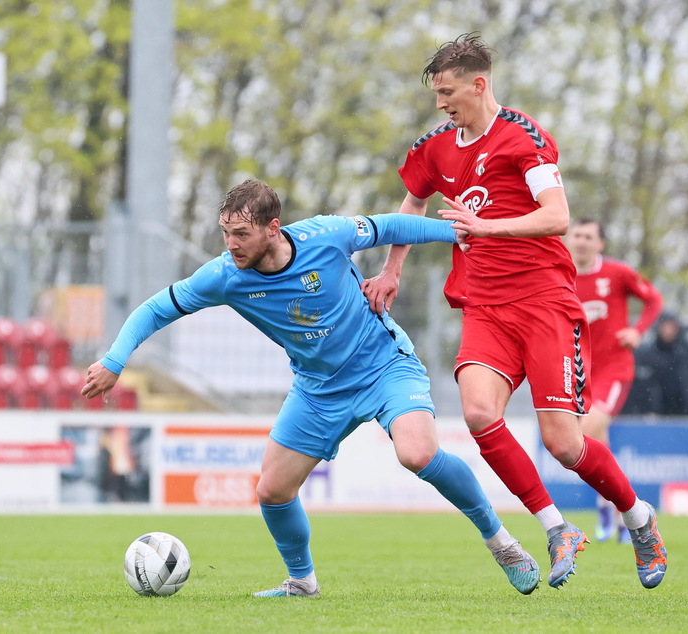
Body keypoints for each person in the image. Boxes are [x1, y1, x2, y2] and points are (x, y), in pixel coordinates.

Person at [82, 178, 542, 597]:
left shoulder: (327, 235)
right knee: (273, 490)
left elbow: (390, 226)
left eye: (241, 234)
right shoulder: (226, 275)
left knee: (417, 453)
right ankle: (301, 581)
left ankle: (501, 542)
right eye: (225, 233)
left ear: (272, 228)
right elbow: (155, 309)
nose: (231, 244)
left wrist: (463, 231)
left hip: (384, 366)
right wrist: (114, 359)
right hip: (318, 389)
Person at [363, 33, 667, 590]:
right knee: (478, 413)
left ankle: (639, 518)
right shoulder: (435, 145)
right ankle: (556, 529)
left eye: (448, 92)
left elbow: (556, 216)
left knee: (565, 445)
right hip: (484, 306)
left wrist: (487, 227)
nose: (440, 103)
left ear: (479, 85)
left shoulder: (524, 139)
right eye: (436, 94)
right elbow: (412, 200)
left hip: (546, 305)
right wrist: (392, 268)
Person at [564, 218, 663, 543]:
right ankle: (619, 510)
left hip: (614, 371)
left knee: (578, 437)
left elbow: (654, 300)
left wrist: (637, 330)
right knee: (598, 448)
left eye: (588, 236)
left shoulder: (617, 274)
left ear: (600, 243)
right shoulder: (560, 272)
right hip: (580, 372)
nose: (580, 241)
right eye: (576, 234)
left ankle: (617, 507)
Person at [631, 312, 688, 416]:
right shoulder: (646, 355)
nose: (668, 331)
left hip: (684, 414)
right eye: (665, 327)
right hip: (652, 415)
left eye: (672, 327)